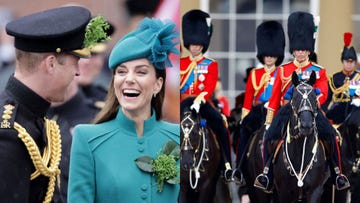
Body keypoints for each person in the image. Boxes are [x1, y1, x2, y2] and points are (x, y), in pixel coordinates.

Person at [67, 17, 180, 202]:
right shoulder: (87, 138)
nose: (128, 79)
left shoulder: (179, 136)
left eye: (141, 72)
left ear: (158, 85)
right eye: (121, 71)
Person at [0, 6, 95, 203]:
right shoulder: (8, 133)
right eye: (74, 62)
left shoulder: (33, 118)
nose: (77, 72)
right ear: (51, 64)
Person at [254, 11, 350, 192]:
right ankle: (267, 174)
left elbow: (323, 92)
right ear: (293, 51)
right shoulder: (283, 70)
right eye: (298, 50)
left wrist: (311, 104)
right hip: (286, 111)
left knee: (331, 136)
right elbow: (274, 98)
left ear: (309, 50)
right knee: (269, 138)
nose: (300, 53)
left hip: (311, 111)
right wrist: (269, 122)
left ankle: (337, 174)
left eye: (304, 50)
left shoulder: (318, 70)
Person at [180, 9, 235, 180]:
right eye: (192, 44)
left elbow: (209, 86)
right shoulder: (181, 63)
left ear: (203, 43)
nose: (195, 46)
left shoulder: (211, 64)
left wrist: (199, 100)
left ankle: (227, 165)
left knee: (220, 123)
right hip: (182, 104)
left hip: (201, 104)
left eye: (198, 44)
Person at [234, 20, 285, 181]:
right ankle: (239, 168)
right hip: (259, 110)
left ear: (277, 55)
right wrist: (245, 117)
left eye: (272, 55)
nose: (269, 58)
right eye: (266, 55)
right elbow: (248, 98)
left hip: (276, 110)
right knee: (244, 131)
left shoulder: (282, 73)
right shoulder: (255, 74)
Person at [77, 22, 115, 108]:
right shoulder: (46, 99)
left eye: (93, 54)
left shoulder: (110, 103)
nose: (86, 62)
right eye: (80, 54)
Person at [326, 32, 360, 124]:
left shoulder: (359, 77)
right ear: (342, 61)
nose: (349, 64)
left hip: (355, 113)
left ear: (355, 63)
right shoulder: (334, 78)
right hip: (337, 113)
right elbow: (327, 98)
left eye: (351, 61)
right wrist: (322, 111)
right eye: (346, 61)